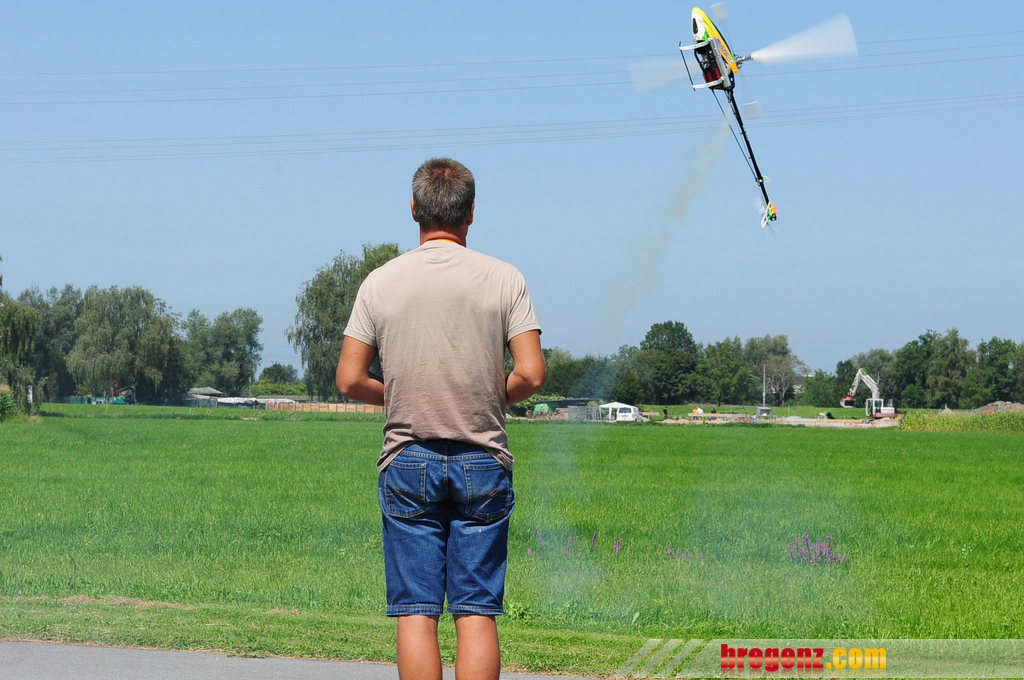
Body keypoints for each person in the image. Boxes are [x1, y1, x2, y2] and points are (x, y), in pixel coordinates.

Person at [336, 158, 546, 680]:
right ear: (471, 212)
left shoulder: (380, 282)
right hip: (483, 458)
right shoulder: (506, 279)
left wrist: (401, 394)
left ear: (414, 209)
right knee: (476, 610)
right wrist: (487, 395)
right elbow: (531, 374)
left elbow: (349, 379)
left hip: (408, 458)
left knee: (416, 609)